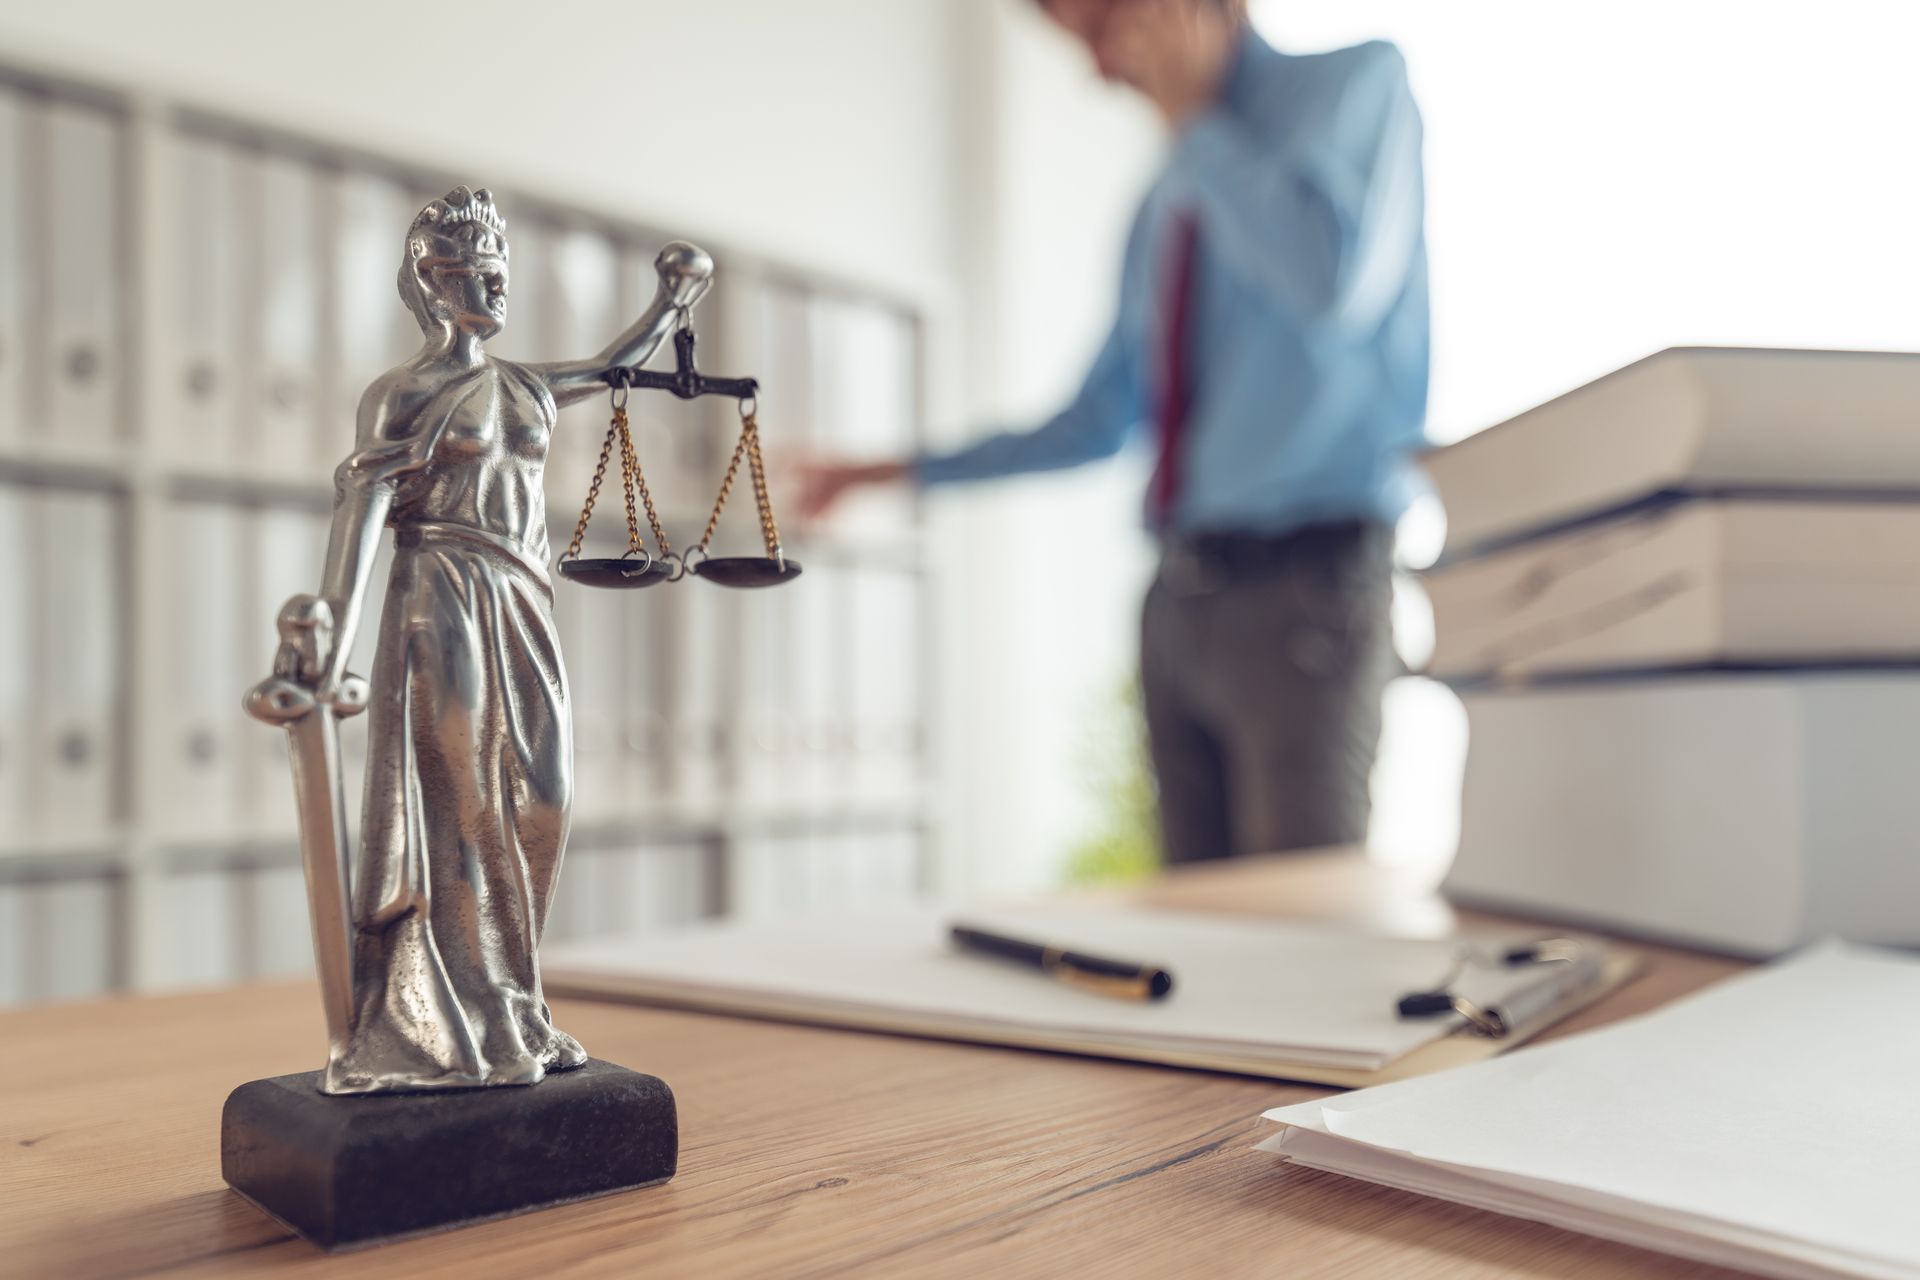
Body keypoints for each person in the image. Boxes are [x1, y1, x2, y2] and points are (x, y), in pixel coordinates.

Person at [801, 0, 1428, 863]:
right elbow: (1102, 418)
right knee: (1198, 929)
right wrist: (890, 472)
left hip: (1307, 590)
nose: (1097, 69)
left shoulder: (1355, 85)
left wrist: (1193, 124)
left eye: (1100, 27)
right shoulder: (1170, 195)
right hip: (1179, 598)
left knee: (1301, 926)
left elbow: (1330, 283)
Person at [294, 186, 711, 1093]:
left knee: (542, 794)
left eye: (501, 272)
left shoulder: (523, 383)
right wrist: (332, 628)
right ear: (432, 283)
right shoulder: (400, 396)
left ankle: (518, 999)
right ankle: (453, 1023)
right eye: (476, 272)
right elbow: (362, 505)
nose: (494, 287)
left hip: (524, 596)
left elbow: (612, 365)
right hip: (439, 590)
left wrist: (672, 303)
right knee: (461, 803)